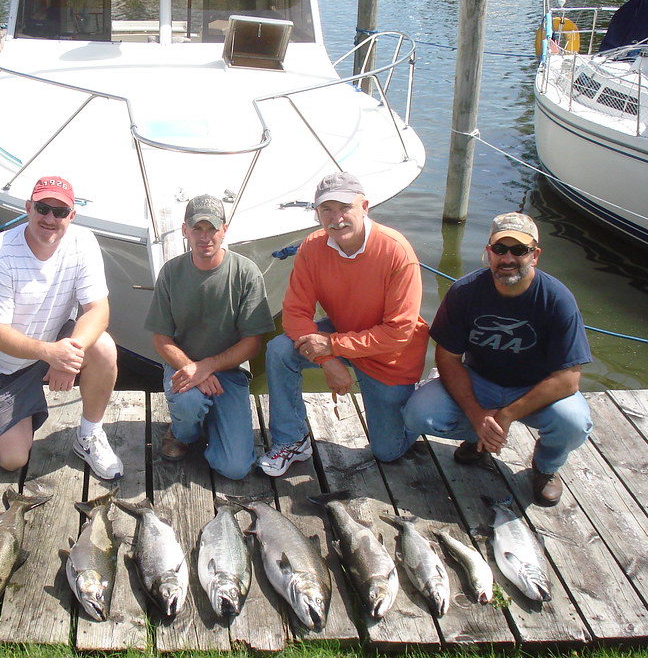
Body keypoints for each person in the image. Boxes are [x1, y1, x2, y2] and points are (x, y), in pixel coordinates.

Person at [404, 212, 593, 507]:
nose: (508, 258)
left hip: (535, 387)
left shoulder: (557, 299)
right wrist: (478, 415)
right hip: (481, 380)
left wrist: (505, 415)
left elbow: (568, 379)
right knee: (418, 413)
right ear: (488, 252)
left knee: (574, 422)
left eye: (519, 250)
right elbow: (448, 358)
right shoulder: (464, 292)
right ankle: (480, 439)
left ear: (535, 255)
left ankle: (546, 469)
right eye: (500, 249)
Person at [259, 172, 429, 475]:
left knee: (387, 452)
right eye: (326, 210)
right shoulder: (312, 247)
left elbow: (399, 332)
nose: (336, 219)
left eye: (344, 207)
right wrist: (327, 360)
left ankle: (420, 397)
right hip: (340, 338)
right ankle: (291, 440)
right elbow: (294, 314)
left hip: (390, 359)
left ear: (364, 206)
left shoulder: (396, 251)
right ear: (317, 213)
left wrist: (334, 345)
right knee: (280, 350)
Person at [0, 175, 123, 480]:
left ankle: (88, 435)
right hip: (2, 366)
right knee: (13, 460)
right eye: (42, 208)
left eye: (60, 212)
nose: (50, 218)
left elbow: (98, 310)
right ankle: (9, 410)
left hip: (56, 342)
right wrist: (52, 354)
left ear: (72, 216)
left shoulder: (83, 242)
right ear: (28, 208)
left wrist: (70, 356)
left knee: (104, 347)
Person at [144, 195, 275, 479]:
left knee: (236, 468)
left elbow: (253, 343)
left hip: (229, 372)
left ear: (224, 230)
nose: (205, 237)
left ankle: (212, 422)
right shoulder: (171, 272)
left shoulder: (246, 273)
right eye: (197, 228)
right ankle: (183, 434)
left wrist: (209, 367)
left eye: (212, 228)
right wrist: (194, 369)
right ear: (184, 230)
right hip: (184, 367)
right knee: (189, 402)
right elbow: (160, 338)